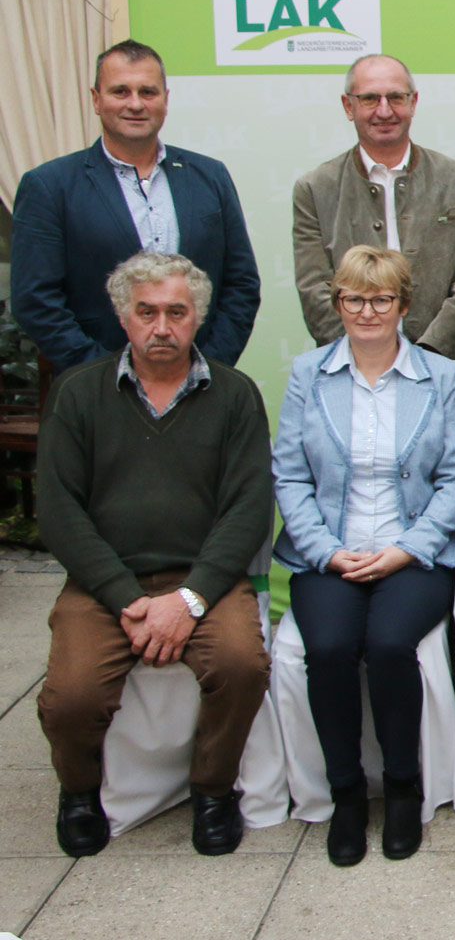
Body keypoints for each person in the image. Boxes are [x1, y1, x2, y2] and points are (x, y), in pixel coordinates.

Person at [35, 251, 272, 858]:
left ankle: (213, 790)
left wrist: (190, 599)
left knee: (242, 665)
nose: (161, 327)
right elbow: (58, 511)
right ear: (123, 317)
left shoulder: (235, 395)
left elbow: (248, 509)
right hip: (104, 583)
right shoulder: (77, 393)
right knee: (71, 696)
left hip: (205, 578)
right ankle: (79, 792)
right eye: (147, 312)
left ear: (198, 317)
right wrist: (125, 598)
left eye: (176, 312)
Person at [271, 246, 455, 866]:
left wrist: (406, 550)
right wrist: (327, 553)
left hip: (412, 553)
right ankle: (347, 794)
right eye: (354, 298)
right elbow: (290, 477)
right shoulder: (309, 374)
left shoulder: (438, 375)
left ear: (403, 305)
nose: (367, 311)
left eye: (381, 298)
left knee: (388, 645)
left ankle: (403, 788)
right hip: (330, 552)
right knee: (328, 648)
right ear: (338, 304)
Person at [12, 40, 261, 371]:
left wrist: (209, 368)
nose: (135, 104)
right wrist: (102, 377)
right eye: (120, 91)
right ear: (96, 99)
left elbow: (241, 284)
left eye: (147, 92)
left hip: (201, 383)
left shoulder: (210, 176)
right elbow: (35, 300)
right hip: (96, 387)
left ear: (165, 100)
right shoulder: (49, 185)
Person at [291, 54, 455, 387]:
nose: (384, 111)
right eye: (370, 98)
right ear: (348, 106)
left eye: (396, 97)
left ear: (413, 102)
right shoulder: (315, 189)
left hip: (441, 374)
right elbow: (315, 289)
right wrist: (364, 360)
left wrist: (429, 355)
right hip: (349, 378)